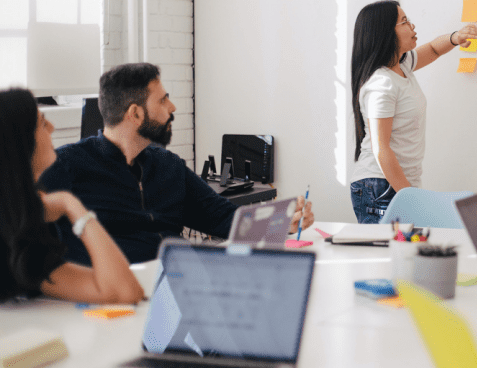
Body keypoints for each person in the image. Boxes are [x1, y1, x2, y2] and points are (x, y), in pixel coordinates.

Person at [41, 63, 314, 264]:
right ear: (135, 114)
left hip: (182, 284)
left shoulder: (168, 166)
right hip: (115, 298)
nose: (172, 107)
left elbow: (224, 219)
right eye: (162, 99)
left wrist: (281, 221)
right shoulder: (66, 166)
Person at [0, 88, 144, 303]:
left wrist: (70, 203)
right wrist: (73, 207)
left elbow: (123, 291)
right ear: (21, 143)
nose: (52, 127)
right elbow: (122, 291)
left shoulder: (23, 228)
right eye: (41, 123)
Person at [350, 0, 477, 223]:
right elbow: (381, 149)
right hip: (379, 186)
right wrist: (411, 198)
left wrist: (455, 38)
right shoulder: (381, 84)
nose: (412, 26)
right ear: (385, 33)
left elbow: (432, 49)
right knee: (388, 254)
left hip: (397, 184)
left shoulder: (402, 67)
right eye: (404, 22)